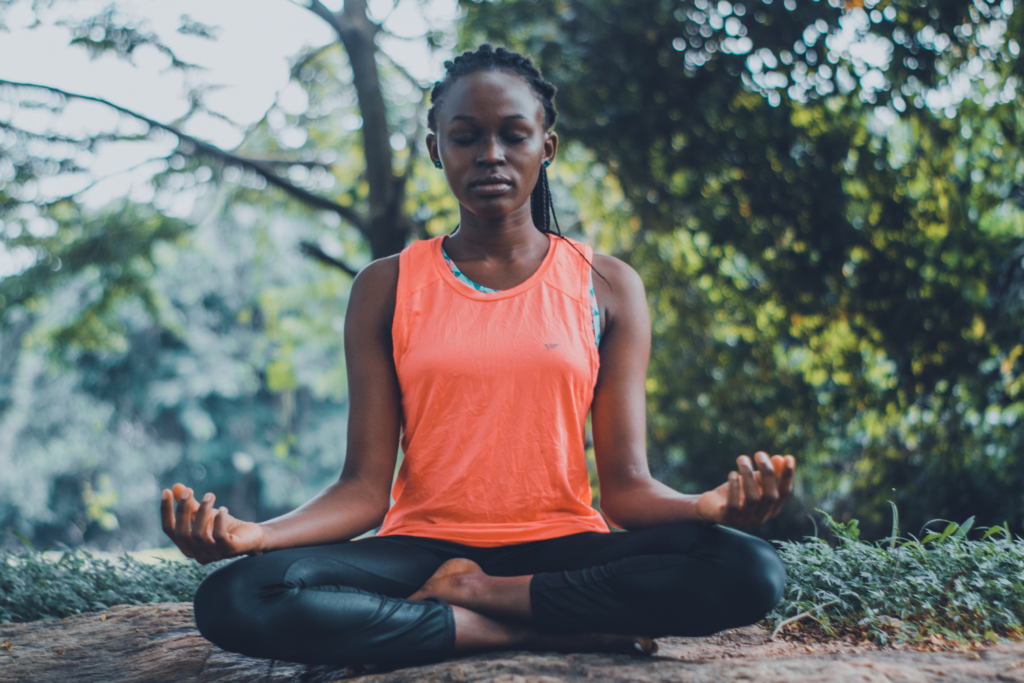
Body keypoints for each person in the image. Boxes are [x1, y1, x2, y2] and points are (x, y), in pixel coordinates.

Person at [160, 44, 795, 668]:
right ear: (437, 147)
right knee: (239, 595)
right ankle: (518, 632)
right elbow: (361, 490)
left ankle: (479, 598)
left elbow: (626, 490)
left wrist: (705, 507)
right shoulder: (386, 286)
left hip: (562, 547)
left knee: (748, 569)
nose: (490, 154)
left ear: (546, 145)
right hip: (420, 550)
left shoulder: (605, 284)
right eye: (466, 137)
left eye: (513, 135)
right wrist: (257, 535)